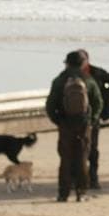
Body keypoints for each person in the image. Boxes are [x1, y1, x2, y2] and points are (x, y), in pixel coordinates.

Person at [44, 49, 100, 202]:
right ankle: (80, 193)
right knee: (81, 158)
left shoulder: (59, 80)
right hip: (83, 125)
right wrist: (91, 120)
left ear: (67, 63)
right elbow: (98, 103)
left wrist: (59, 121)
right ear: (82, 63)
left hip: (65, 125)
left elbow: (50, 106)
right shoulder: (88, 80)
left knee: (65, 159)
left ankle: (63, 194)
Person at [80, 49, 109, 193]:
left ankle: (93, 179)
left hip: (93, 117)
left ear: (87, 60)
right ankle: (77, 179)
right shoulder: (70, 75)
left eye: (82, 59)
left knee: (92, 149)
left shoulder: (96, 72)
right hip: (76, 117)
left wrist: (105, 97)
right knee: (76, 149)